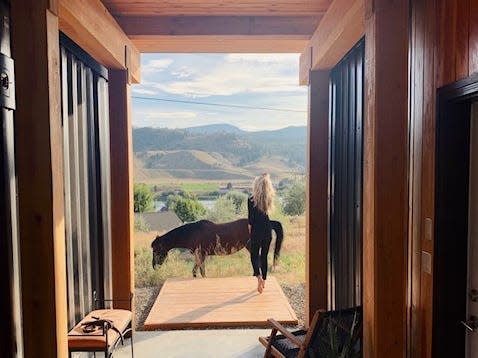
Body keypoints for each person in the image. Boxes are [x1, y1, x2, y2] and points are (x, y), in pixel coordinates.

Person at [248, 173, 275, 293]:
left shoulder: (251, 199)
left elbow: (251, 220)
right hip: (267, 230)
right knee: (264, 256)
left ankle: (258, 277)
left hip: (256, 231)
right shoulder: (269, 199)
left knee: (254, 255)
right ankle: (264, 280)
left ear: (256, 186)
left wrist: (251, 231)